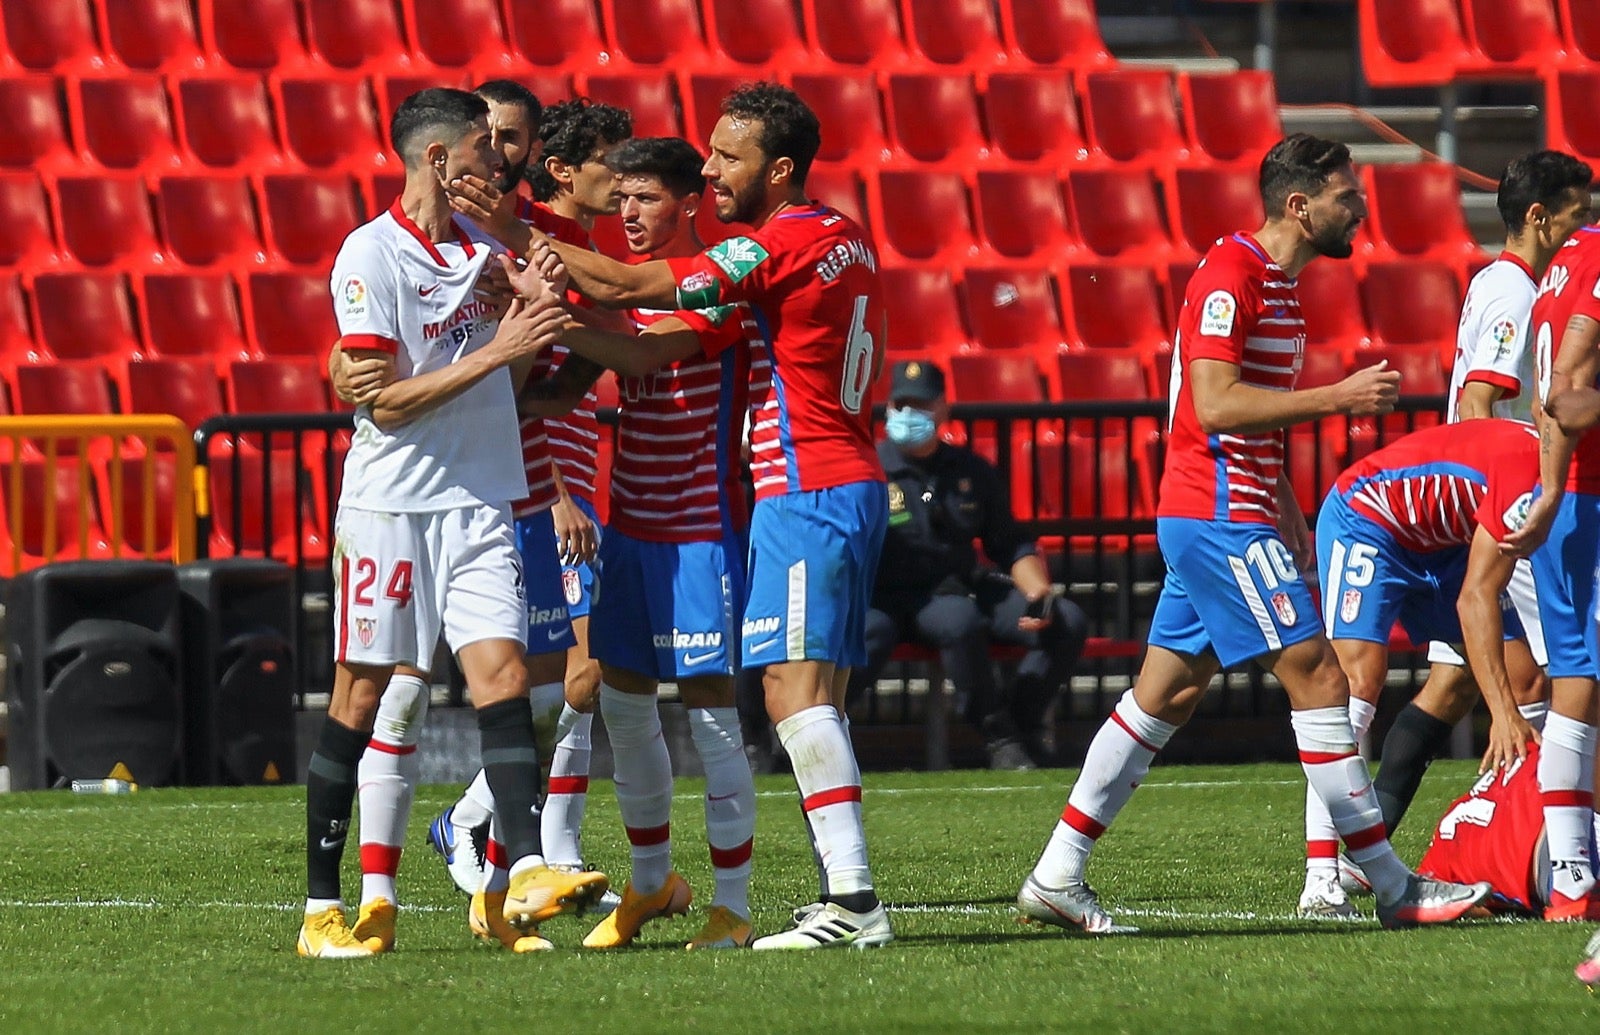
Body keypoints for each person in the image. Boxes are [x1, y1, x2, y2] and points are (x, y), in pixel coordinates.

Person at [1014, 133, 1491, 935]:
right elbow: (1215, 404)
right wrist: (1337, 398)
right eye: (1346, 195)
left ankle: (1057, 872)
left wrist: (1286, 502)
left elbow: (1241, 419)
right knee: (1323, 679)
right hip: (1218, 515)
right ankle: (1391, 885)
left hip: (1232, 510)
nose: (1361, 208)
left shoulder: (1278, 287)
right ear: (1299, 205)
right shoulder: (1231, 275)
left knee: (1164, 694)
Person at [513, 82, 896, 949]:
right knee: (769, 698)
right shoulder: (839, 235)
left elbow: (633, 318)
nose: (715, 168)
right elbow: (583, 367)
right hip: (684, 517)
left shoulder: (762, 254)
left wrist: (509, 233)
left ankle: (819, 900)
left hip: (774, 500)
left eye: (728, 156)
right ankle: (696, 884)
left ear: (780, 169)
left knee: (779, 696)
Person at [300, 87, 604, 958]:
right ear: (437, 158)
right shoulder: (370, 253)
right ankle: (323, 908)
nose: (497, 160)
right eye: (481, 146)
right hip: (391, 507)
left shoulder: (484, 249)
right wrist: (501, 347)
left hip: (479, 501)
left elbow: (510, 372)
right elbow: (386, 404)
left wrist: (525, 319)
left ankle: (521, 875)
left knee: (505, 679)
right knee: (361, 695)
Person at [536, 136, 767, 950]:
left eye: (646, 198)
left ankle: (731, 904)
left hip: (701, 530)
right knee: (625, 707)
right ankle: (649, 883)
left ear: (687, 203)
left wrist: (559, 302)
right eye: (622, 198)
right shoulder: (617, 299)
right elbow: (559, 390)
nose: (627, 213)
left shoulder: (716, 289)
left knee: (711, 716)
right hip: (629, 530)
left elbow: (639, 350)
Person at [427, 94, 633, 911]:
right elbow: (508, 397)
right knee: (576, 674)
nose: (501, 151)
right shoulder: (513, 247)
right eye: (492, 137)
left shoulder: (561, 245)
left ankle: (529, 842)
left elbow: (571, 368)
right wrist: (555, 493)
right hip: (539, 493)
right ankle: (491, 828)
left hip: (569, 478)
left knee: (572, 679)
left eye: (511, 136)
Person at [1369, 153, 1592, 878]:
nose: (1585, 226)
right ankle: (1540, 842)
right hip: (1513, 504)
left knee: (1458, 683)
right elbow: (1478, 400)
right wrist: (1506, 486)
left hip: (1493, 503)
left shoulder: (1506, 284)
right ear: (1540, 217)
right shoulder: (1516, 292)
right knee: (1555, 681)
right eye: (1577, 213)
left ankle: (1367, 850)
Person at [1304, 418, 1544, 917]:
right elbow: (1475, 598)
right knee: (1356, 681)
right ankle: (1321, 876)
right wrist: (1502, 716)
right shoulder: (1532, 474)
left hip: (1448, 543)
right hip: (1369, 516)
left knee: (1520, 681)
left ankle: (1540, 840)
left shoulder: (1559, 472)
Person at [850, 360, 1088, 770]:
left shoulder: (970, 470)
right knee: (959, 621)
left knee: (1068, 621)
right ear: (888, 408)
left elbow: (1009, 542)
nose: (910, 414)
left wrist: (1038, 592)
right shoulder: (868, 470)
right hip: (893, 595)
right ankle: (998, 736)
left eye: (922, 405)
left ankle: (1022, 721)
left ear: (943, 409)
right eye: (902, 405)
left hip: (963, 584)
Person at [1503, 218, 1600, 923]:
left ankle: (1572, 878)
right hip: (1585, 499)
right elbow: (1566, 388)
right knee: (1578, 688)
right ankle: (1572, 877)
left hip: (1566, 502)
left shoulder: (1568, 256)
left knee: (1576, 688)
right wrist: (1556, 488)